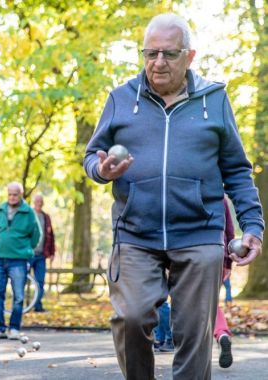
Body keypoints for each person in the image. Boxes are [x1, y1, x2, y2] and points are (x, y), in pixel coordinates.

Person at [84, 13, 264, 380]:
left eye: (168, 53)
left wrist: (253, 226)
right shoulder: (120, 99)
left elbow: (237, 171)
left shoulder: (214, 100)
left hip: (199, 232)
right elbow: (92, 156)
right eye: (150, 53)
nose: (158, 62)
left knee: (194, 334)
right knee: (130, 318)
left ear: (190, 56)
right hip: (135, 232)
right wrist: (101, 171)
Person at [0, 182, 42, 340]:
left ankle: (14, 329)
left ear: (21, 195)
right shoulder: (0, 210)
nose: (11, 197)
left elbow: (36, 235)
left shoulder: (29, 212)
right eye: (9, 194)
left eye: (15, 194)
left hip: (18, 260)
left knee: (18, 296)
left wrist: (24, 249)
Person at [215, 197, 235, 368]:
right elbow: (229, 231)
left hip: (191, 251)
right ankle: (222, 333)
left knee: (189, 305)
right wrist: (228, 262)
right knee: (211, 303)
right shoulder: (221, 197)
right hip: (219, 254)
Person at [30, 193, 56, 312]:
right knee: (21, 280)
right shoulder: (28, 215)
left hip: (41, 255)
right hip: (28, 254)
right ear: (33, 202)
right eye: (37, 201)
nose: (39, 203)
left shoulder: (46, 217)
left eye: (41, 201)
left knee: (40, 281)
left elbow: (51, 235)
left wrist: (52, 252)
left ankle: (37, 305)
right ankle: (23, 305)